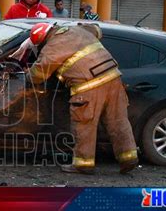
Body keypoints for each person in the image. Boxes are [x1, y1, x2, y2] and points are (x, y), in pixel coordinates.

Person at [24, 22, 138, 175]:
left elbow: (39, 74)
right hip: (114, 79)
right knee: (117, 120)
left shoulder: (53, 46)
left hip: (89, 87)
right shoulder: (76, 30)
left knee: (84, 124)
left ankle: (83, 164)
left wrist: (27, 76)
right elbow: (96, 30)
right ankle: (128, 158)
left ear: (43, 40)